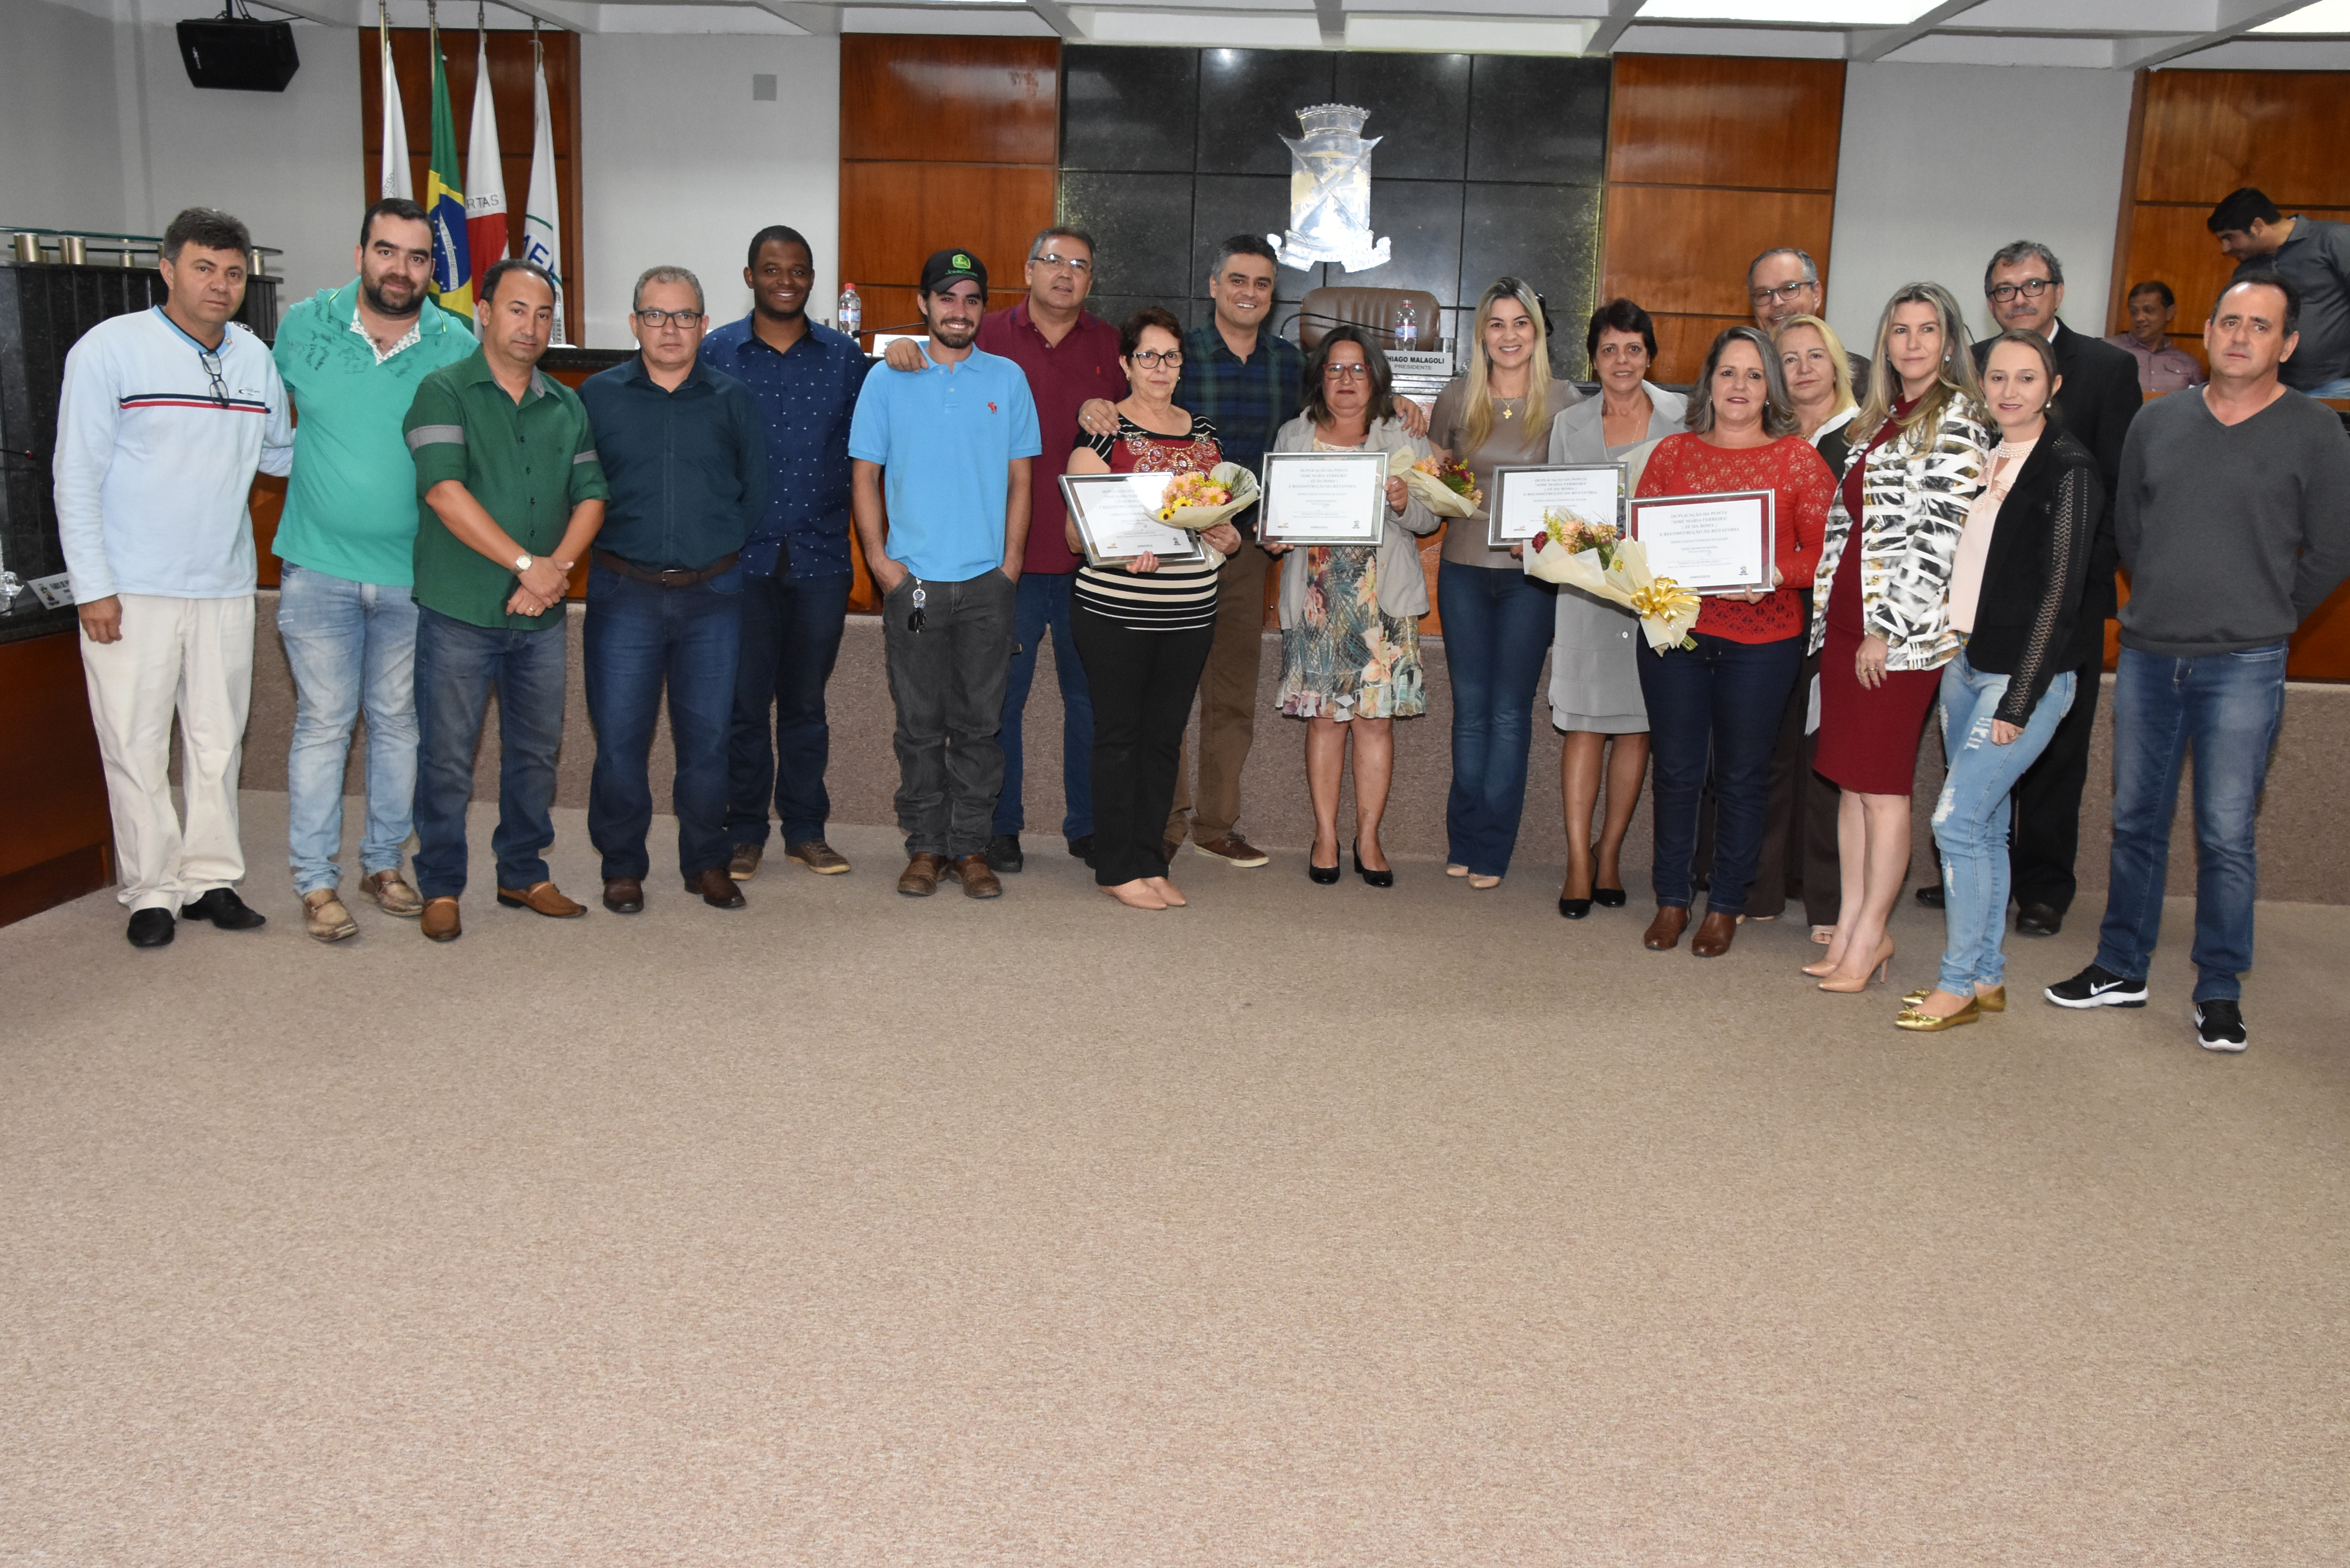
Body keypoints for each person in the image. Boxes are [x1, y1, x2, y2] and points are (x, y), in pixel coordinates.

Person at [2049, 273, 2350, 1052]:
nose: (2240, 336)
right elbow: (2131, 528)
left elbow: (2335, 548)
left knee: (2225, 834)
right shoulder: (2159, 423)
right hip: (2152, 654)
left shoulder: (2317, 432)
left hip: (2246, 661)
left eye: (2260, 326)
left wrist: (2272, 613)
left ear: (2286, 345)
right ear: (2208, 332)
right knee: (2134, 822)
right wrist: (2163, 597)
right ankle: (2121, 967)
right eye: (2228, 321)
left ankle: (2219, 988)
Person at [1075, 242, 1419, 869]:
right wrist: (1090, 408)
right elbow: (1117, 416)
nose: (1249, 292)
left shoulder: (1291, 365)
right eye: (1237, 280)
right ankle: (1166, 820)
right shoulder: (1180, 356)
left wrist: (1394, 403)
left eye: (1262, 283)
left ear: (1271, 295)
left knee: (1230, 691)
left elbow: (1343, 404)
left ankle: (1216, 822)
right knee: (1165, 696)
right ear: (1212, 285)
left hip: (1250, 546)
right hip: (1163, 552)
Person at [54, 206, 292, 949]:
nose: (220, 285)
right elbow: (75, 476)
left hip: (224, 584)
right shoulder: (110, 349)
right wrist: (92, 586)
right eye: (203, 268)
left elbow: (283, 455)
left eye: (232, 272)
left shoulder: (255, 358)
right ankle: (151, 889)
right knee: (136, 741)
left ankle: (210, 879)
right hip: (130, 590)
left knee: (220, 741)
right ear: (167, 270)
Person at [1917, 241, 2139, 939]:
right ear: (1990, 300)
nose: (2019, 296)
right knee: (1979, 767)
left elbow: (2121, 487)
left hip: (2064, 602)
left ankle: (2044, 888)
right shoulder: (1975, 368)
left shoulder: (2105, 367)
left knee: (2054, 759)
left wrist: (2072, 574)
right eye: (2005, 288)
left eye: (2033, 284)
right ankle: (1984, 868)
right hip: (1983, 611)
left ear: (2058, 290)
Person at [269, 197, 476, 942]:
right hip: (317, 570)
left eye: (418, 257)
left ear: (432, 268)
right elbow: (261, 422)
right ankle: (315, 881)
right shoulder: (302, 327)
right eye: (387, 252)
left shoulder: (455, 343)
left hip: (412, 577)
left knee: (397, 725)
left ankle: (383, 862)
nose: (402, 269)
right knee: (323, 724)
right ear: (361, 254)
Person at [885, 229, 1124, 874]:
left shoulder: (1109, 344)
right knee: (994, 707)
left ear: (1091, 280)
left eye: (1080, 265)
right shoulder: (983, 328)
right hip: (996, 564)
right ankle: (998, 827)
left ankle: (1087, 825)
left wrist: (1116, 408)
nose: (1065, 274)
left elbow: (1144, 418)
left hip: (1085, 560)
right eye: (1053, 261)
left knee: (1088, 701)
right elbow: (926, 359)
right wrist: (900, 346)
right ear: (1028, 269)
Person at [401, 258, 608, 943]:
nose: (532, 325)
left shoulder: (566, 402)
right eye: (517, 309)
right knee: (448, 755)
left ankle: (523, 870)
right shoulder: (443, 391)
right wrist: (529, 565)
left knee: (535, 753)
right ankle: (440, 884)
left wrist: (554, 572)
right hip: (460, 610)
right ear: (484, 312)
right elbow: (443, 492)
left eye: (544, 313)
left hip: (540, 617)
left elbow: (592, 497)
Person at [1898, 330, 2100, 1031]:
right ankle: (1986, 979)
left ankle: (1955, 984)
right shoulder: (1988, 456)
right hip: (1967, 663)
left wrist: (2020, 697)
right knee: (1980, 828)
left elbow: (2060, 594)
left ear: (2054, 387)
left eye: (2026, 378)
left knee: (1953, 824)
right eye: (1997, 378)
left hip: (2025, 679)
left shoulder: (2068, 469)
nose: (2009, 390)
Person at [1627, 327, 1831, 959]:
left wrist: (1773, 573)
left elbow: (1825, 550)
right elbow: (1639, 539)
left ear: (1768, 386)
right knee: (1679, 772)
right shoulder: (1671, 454)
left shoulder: (1797, 458)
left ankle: (1724, 906)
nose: (1738, 387)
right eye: (1727, 373)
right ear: (1707, 383)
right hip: (1675, 638)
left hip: (1762, 639)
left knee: (1742, 777)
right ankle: (1670, 899)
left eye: (1752, 374)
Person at [1807, 282, 1989, 993]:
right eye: (1900, 330)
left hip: (1900, 634)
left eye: (1927, 330)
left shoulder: (1959, 418)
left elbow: (1937, 538)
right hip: (1849, 624)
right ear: (1885, 343)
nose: (1912, 342)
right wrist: (1836, 624)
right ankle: (1852, 927)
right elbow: (1848, 527)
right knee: (1850, 787)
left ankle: (1874, 934)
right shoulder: (1878, 420)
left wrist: (1886, 626)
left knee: (1882, 790)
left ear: (1948, 343)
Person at [848, 248, 1039, 900]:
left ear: (983, 309)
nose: (960, 311)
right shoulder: (887, 378)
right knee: (920, 723)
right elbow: (864, 474)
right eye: (947, 298)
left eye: (972, 299)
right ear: (924, 304)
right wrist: (881, 562)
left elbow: (1021, 479)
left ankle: (971, 849)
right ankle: (926, 847)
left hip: (987, 586)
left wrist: (1009, 565)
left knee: (981, 725)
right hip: (918, 589)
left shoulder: (1008, 380)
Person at [578, 267, 768, 916]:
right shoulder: (596, 397)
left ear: (704, 325)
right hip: (622, 592)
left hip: (712, 596)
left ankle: (706, 862)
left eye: (684, 316)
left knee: (708, 741)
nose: (669, 329)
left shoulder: (732, 399)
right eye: (655, 316)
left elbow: (755, 493)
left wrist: (711, 549)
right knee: (621, 741)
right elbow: (576, 489)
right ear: (633, 324)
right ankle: (623, 866)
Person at [704, 225, 870, 882]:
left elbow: (870, 449)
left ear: (811, 279)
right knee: (744, 704)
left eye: (798, 270)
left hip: (819, 557)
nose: (785, 280)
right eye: (772, 269)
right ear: (749, 277)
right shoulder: (715, 353)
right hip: (738, 560)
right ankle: (744, 831)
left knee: (805, 703)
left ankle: (806, 829)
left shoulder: (843, 357)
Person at [1062, 308, 1242, 909]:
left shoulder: (1204, 435)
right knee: (1119, 736)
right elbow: (1073, 535)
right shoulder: (1102, 433)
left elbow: (1217, 518)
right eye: (1147, 356)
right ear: (1125, 363)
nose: (1160, 368)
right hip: (1116, 608)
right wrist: (1117, 552)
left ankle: (1148, 858)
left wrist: (1229, 538)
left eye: (1170, 357)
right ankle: (1115, 867)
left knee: (1164, 738)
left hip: (1190, 608)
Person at [1264, 327, 1438, 885]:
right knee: (1324, 725)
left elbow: (1431, 520)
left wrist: (1404, 501)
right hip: (1315, 599)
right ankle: (1325, 836)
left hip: (1379, 603)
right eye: (1334, 369)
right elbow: (1273, 517)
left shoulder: (1401, 435)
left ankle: (1368, 838)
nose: (1345, 380)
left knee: (1373, 726)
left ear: (1375, 377)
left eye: (1357, 369)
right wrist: (1273, 536)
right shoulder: (1293, 435)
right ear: (1318, 377)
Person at [1426, 278, 1576, 889]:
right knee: (1469, 710)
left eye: (1520, 324)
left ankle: (1492, 847)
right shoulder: (1457, 397)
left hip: (1530, 580)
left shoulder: (1565, 400)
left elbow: (1577, 495)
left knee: (1510, 713)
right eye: (1496, 323)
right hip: (1462, 569)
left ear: (1536, 333)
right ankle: (1462, 837)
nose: (1508, 335)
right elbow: (1434, 479)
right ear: (1481, 333)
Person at [1541, 298, 1680, 918]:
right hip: (1587, 591)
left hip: (1655, 593)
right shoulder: (1569, 424)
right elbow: (1553, 513)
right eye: (1608, 349)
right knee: (1583, 723)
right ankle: (1575, 859)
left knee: (1636, 726)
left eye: (1633, 348)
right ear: (1593, 359)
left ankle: (1608, 853)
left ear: (1649, 355)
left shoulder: (1682, 417)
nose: (1621, 360)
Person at [1768, 314, 1859, 944]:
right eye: (1789, 358)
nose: (1802, 368)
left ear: (1835, 365)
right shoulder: (1763, 435)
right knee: (1770, 756)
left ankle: (1825, 900)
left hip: (1832, 622)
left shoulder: (1859, 438)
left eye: (1814, 356)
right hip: (1768, 618)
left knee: (1825, 761)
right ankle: (1768, 885)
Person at [2207, 188, 2350, 397]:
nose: (2225, 249)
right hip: (2275, 391)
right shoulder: (2247, 270)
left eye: (2230, 237)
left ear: (2257, 226)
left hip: (2339, 385)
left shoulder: (2332, 239)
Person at [1748, 247, 1870, 390]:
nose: (1777, 302)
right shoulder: (1743, 379)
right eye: (1763, 294)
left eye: (1789, 289)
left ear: (1816, 295)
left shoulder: (1862, 377)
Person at [2105, 281, 2206, 395]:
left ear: (2170, 313)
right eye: (2134, 312)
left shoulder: (2188, 364)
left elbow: (2196, 406)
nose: (2140, 318)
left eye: (2149, 310)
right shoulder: (2108, 351)